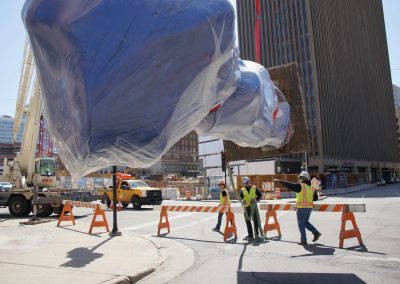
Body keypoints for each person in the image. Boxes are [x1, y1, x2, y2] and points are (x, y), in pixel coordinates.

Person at [274, 171, 322, 246]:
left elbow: (289, 185)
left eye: (300, 178)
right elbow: (315, 198)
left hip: (301, 208)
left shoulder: (301, 186)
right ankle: (316, 232)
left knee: (301, 224)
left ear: (303, 178)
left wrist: (279, 181)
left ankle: (304, 240)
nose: (299, 180)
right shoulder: (312, 186)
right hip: (309, 208)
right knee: (305, 222)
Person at [240, 176, 262, 240]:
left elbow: (260, 195)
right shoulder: (242, 190)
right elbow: (240, 197)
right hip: (246, 207)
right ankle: (250, 234)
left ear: (249, 181)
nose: (245, 184)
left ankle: (256, 234)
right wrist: (241, 200)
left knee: (255, 220)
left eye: (246, 182)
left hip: (253, 207)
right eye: (244, 183)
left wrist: (256, 199)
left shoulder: (254, 188)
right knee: (248, 220)